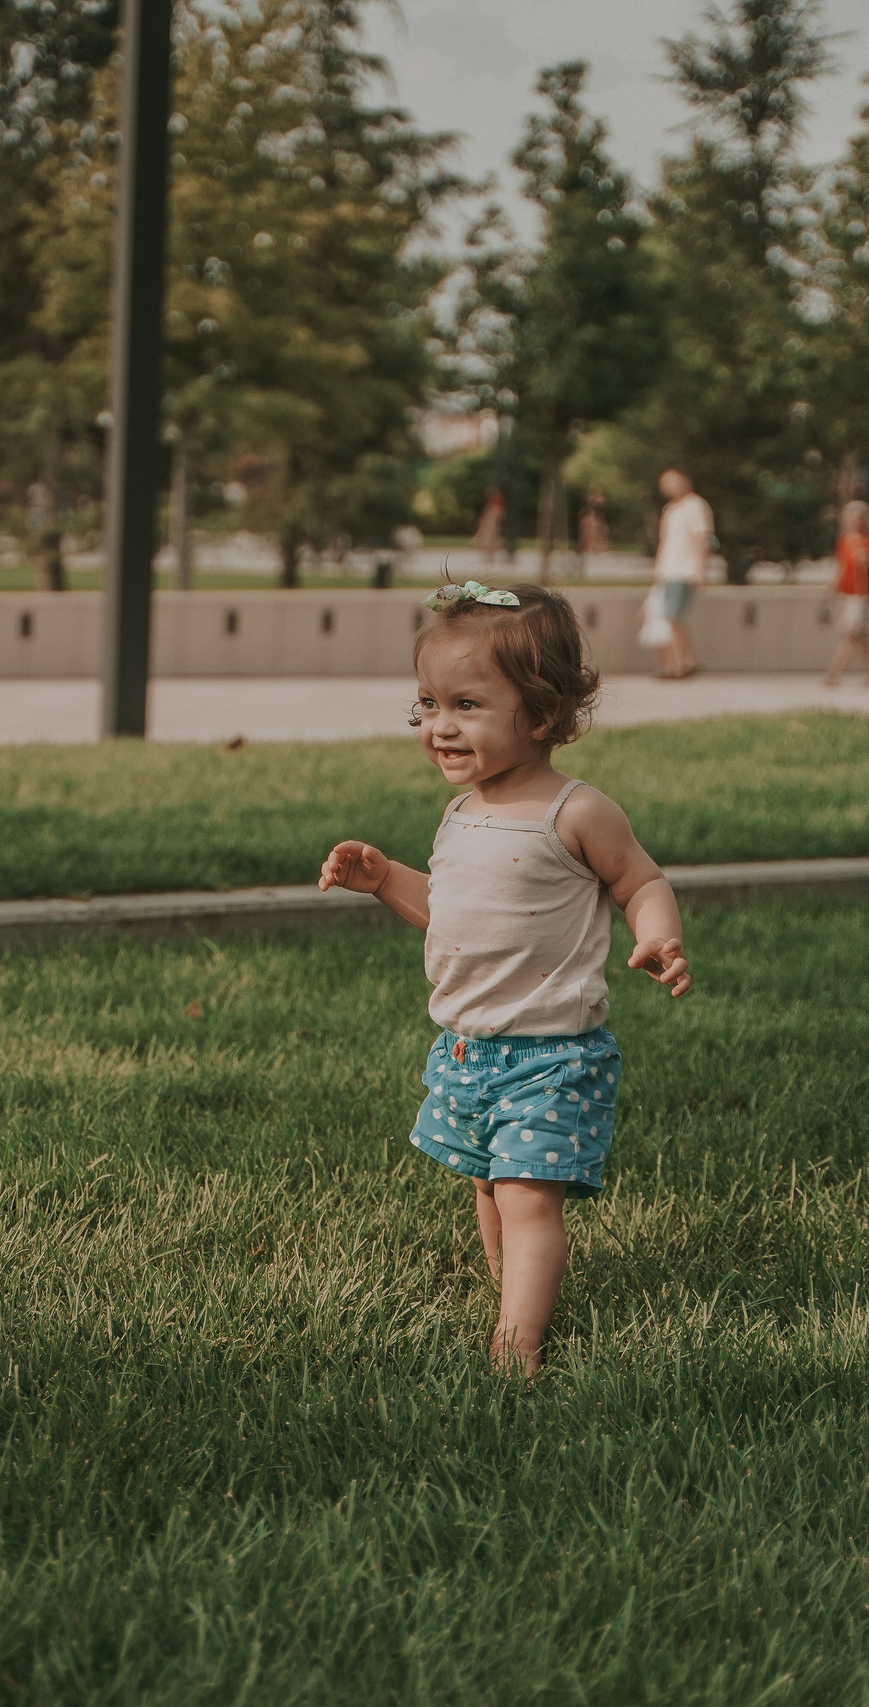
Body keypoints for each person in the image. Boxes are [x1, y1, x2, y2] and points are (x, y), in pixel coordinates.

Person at [317, 581, 691, 1376]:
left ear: (543, 714)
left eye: (467, 705)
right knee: (489, 1187)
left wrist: (658, 935)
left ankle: (518, 1345)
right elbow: (449, 910)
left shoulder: (576, 812)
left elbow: (641, 880)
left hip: (551, 1054)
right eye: (428, 704)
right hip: (466, 1049)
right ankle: (511, 1294)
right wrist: (384, 879)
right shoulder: (461, 814)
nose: (440, 726)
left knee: (526, 1196)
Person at [645, 468, 711, 679]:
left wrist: (699, 570)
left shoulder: (696, 505)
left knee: (672, 617)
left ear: (685, 481)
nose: (667, 487)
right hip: (667, 571)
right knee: (672, 618)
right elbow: (666, 542)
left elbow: (701, 539)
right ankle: (689, 661)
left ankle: (678, 666)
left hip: (683, 571)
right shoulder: (670, 510)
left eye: (672, 481)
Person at [822, 499, 869, 688]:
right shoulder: (845, 541)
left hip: (864, 597)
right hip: (848, 596)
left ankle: (833, 676)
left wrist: (868, 561)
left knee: (850, 635)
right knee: (862, 639)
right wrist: (831, 589)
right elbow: (840, 567)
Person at [471, 485, 508, 566]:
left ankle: (490, 556)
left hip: (491, 527)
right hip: (490, 527)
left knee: (490, 540)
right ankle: (489, 556)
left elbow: (493, 519)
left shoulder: (495, 507)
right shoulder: (493, 507)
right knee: (489, 540)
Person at [576, 487, 612, 564]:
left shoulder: (594, 520)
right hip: (591, 553)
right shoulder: (589, 520)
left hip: (594, 552)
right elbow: (587, 538)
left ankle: (597, 551)